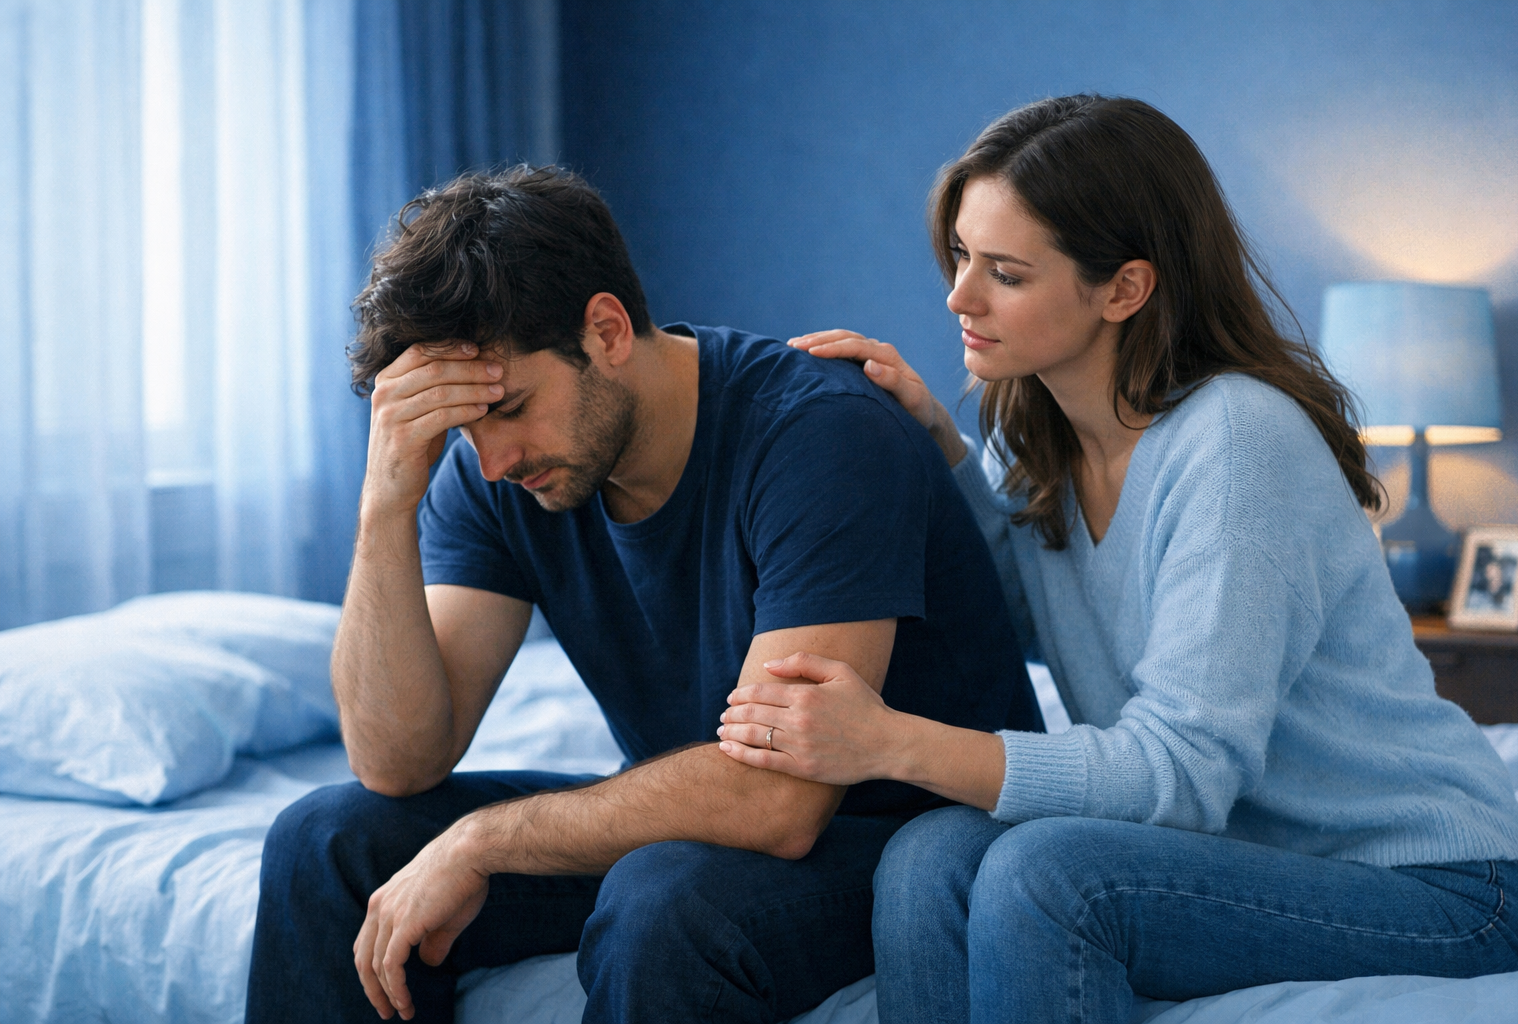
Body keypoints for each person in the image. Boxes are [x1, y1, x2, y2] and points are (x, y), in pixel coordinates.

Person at [717, 95, 1518, 1023]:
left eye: (1006, 274)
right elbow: (1019, 614)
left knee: (1051, 874)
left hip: (1448, 890)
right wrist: (933, 445)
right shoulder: (1034, 437)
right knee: (928, 858)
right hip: (1246, 862)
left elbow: (1179, 777)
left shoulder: (1237, 444)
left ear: (1124, 289)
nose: (958, 298)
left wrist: (888, 741)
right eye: (959, 257)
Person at [244, 166, 1040, 1024]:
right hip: (707, 821)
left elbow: (779, 803)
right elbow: (397, 761)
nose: (493, 460)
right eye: (461, 428)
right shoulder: (497, 473)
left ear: (608, 330)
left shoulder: (820, 434)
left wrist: (479, 842)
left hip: (905, 832)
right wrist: (384, 506)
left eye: (509, 408)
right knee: (326, 842)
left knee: (665, 900)